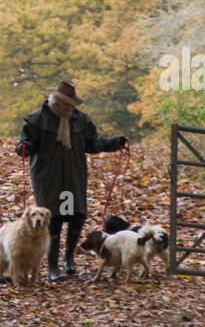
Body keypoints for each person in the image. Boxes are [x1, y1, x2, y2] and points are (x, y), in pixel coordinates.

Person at [17, 79, 128, 281]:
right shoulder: (39, 119)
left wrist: (115, 143)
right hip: (48, 178)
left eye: (71, 103)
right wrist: (23, 147)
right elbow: (27, 142)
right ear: (56, 99)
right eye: (66, 102)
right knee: (54, 219)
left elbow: (93, 144)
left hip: (72, 177)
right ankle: (52, 268)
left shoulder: (80, 120)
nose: (69, 106)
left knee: (75, 215)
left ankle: (68, 258)